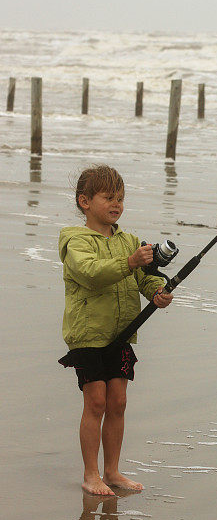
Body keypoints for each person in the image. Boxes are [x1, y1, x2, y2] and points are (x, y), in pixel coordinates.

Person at [58, 165, 173, 496]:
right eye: (108, 197)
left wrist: (157, 292)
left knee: (118, 402)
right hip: (88, 334)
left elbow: (146, 277)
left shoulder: (130, 241)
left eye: (120, 198)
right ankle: (90, 474)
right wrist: (131, 262)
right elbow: (91, 273)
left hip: (122, 333)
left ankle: (112, 471)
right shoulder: (74, 240)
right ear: (85, 201)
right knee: (95, 402)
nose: (116, 204)